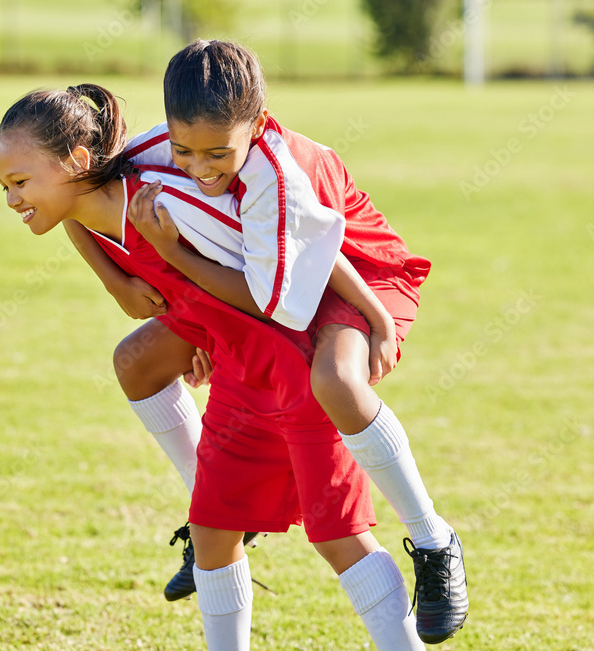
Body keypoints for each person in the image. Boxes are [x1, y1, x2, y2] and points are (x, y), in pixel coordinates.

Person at [0, 83, 427, 650]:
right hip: (241, 374)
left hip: (293, 371)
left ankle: (422, 578)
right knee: (213, 530)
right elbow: (79, 215)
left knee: (338, 538)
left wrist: (375, 315)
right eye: (3, 186)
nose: (10, 200)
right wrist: (123, 285)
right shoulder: (87, 206)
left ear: (76, 162)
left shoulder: (168, 203)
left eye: (19, 183)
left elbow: (305, 254)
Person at [114, 39, 468, 644]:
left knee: (333, 380)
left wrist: (172, 253)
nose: (199, 168)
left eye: (217, 153)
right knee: (139, 361)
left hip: (362, 280)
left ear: (259, 122)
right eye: (184, 150)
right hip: (288, 281)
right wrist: (122, 281)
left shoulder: (278, 176)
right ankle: (216, 518)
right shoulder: (155, 150)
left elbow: (268, 299)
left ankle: (435, 542)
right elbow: (76, 188)